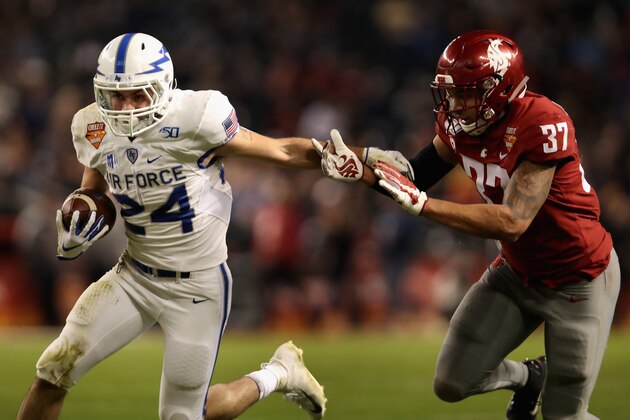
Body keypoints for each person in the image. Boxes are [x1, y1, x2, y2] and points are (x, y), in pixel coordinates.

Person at [15, 32, 342, 420]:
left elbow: (282, 150)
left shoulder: (197, 116)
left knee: (184, 415)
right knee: (53, 370)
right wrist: (76, 223)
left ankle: (278, 373)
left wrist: (359, 161)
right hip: (134, 276)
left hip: (197, 287)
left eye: (139, 95)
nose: (126, 108)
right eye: (116, 96)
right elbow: (93, 190)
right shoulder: (91, 125)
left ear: (164, 87)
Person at [314, 30, 620, 419]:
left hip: (578, 276)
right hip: (518, 271)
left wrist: (423, 206)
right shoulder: (459, 124)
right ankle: (530, 378)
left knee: (564, 416)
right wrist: (363, 167)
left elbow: (513, 221)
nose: (455, 104)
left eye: (466, 93)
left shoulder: (542, 122)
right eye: (451, 93)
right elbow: (416, 175)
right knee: (452, 381)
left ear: (500, 87)